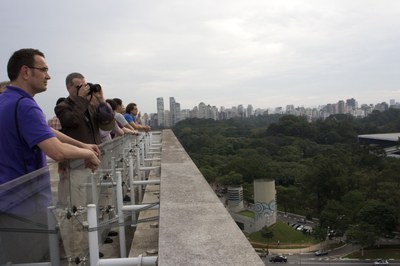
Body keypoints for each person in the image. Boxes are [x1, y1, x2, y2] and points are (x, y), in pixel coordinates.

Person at [0, 48, 100, 264]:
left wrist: (82, 144)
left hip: (8, 204)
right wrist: (87, 154)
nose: (48, 76)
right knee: (45, 260)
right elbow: (57, 151)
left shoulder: (7, 101)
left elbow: (46, 131)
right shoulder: (25, 105)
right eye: (44, 69)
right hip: (27, 208)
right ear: (26, 72)